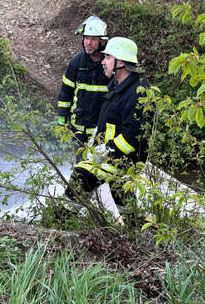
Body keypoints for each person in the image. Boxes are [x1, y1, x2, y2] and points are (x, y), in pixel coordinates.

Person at [63, 36, 152, 213]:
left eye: (108, 57)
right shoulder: (117, 84)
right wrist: (96, 142)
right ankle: (133, 230)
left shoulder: (139, 93)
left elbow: (133, 137)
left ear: (122, 63)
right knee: (121, 193)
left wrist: (106, 150)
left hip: (124, 158)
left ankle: (61, 224)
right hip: (113, 154)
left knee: (82, 176)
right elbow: (107, 120)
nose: (103, 61)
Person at [56, 15, 110, 156]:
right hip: (78, 127)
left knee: (97, 164)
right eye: (86, 38)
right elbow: (65, 91)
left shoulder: (110, 64)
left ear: (103, 42)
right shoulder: (76, 62)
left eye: (93, 39)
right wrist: (62, 116)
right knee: (80, 164)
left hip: (101, 129)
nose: (88, 42)